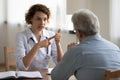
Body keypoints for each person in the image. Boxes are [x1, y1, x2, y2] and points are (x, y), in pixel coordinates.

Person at [51, 9, 120, 80]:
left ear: (79, 33)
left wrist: (69, 54)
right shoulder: (115, 48)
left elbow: (56, 77)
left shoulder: (77, 51)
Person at [15, 4, 63, 71]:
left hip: (43, 76)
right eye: (38, 19)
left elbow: (60, 64)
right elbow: (22, 66)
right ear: (30, 19)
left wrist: (58, 44)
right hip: (25, 76)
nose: (42, 22)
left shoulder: (51, 35)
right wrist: (38, 45)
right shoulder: (21, 36)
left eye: (45, 19)